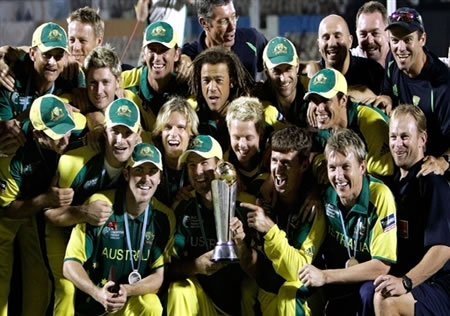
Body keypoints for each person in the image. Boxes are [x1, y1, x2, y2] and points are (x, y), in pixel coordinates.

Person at [43, 98, 143, 316]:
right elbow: (50, 214)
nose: (120, 140)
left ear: (139, 136)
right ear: (103, 131)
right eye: (114, 131)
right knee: (67, 289)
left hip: (104, 239)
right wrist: (82, 213)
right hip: (64, 230)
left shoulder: (142, 166)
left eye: (127, 133)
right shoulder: (73, 162)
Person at [63, 142, 175, 316]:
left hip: (129, 303)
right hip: (95, 304)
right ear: (126, 173)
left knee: (152, 305)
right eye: (139, 170)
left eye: (152, 172)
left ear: (160, 178)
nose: (146, 179)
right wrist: (97, 293)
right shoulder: (100, 205)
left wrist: (127, 290)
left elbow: (159, 276)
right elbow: (70, 264)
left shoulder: (164, 217)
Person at [299, 128, 397, 316]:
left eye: (346, 167)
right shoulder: (326, 193)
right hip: (337, 277)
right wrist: (312, 193)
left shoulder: (380, 196)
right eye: (332, 168)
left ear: (362, 166)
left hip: (367, 279)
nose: (338, 176)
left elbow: (382, 266)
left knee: (369, 292)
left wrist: (325, 276)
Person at [0, 95, 76, 316]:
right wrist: (45, 199)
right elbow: (8, 210)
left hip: (37, 214)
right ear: (37, 134)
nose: (65, 139)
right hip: (13, 211)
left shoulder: (73, 122)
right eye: (56, 135)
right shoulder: (12, 154)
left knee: (39, 280)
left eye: (66, 129)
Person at [240, 126, 326, 316]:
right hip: (268, 287)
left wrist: (270, 230)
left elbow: (299, 272)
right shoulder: (261, 190)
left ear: (304, 165)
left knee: (290, 293)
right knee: (247, 290)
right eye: (274, 161)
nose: (278, 170)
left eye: (286, 163)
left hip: (305, 293)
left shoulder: (313, 208)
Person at [373, 104, 450, 316]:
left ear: (422, 139)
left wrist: (406, 282)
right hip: (406, 277)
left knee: (386, 299)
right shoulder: (390, 183)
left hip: (438, 286)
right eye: (393, 136)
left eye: (405, 137)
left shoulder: (433, 183)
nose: (398, 144)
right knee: (365, 290)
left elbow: (443, 249)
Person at [167, 135, 256, 315]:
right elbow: (167, 270)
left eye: (204, 163)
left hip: (239, 303)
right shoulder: (183, 208)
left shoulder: (245, 206)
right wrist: (195, 266)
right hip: (203, 302)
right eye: (192, 165)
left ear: (220, 165)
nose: (198, 171)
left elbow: (261, 273)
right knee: (179, 290)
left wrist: (241, 245)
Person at [378, 7, 450, 176]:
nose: (400, 48)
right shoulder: (392, 61)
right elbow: (388, 90)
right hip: (403, 157)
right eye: (395, 40)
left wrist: (443, 162)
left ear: (422, 39)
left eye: (408, 39)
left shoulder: (442, 86)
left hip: (430, 166)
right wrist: (387, 98)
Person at [305, 68, 393, 181]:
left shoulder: (369, 120)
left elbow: (385, 174)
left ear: (343, 100)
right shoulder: (326, 126)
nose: (319, 108)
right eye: (314, 100)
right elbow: (314, 155)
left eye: (325, 100)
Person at [122, 21, 189, 131]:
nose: (157, 57)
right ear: (144, 52)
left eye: (164, 50)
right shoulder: (124, 82)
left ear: (176, 54)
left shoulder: (187, 89)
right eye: (152, 49)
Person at [182, 0, 268, 79]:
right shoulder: (189, 57)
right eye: (223, 21)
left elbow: (277, 63)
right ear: (204, 23)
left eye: (234, 17)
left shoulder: (252, 40)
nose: (232, 27)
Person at [317, 14, 385, 97]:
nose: (332, 43)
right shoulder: (312, 77)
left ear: (350, 41)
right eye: (326, 37)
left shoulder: (374, 73)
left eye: (337, 36)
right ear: (319, 45)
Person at [151, 96, 199, 205]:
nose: (173, 134)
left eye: (181, 127)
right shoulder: (150, 164)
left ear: (191, 133)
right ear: (160, 132)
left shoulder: (199, 168)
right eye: (167, 127)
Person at [257, 36, 308, 127]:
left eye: (288, 69)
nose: (283, 79)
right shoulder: (258, 101)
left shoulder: (313, 91)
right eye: (276, 71)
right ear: (266, 72)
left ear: (297, 66)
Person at [225, 96, 269, 193]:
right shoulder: (224, 163)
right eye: (236, 137)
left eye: (249, 138)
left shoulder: (273, 159)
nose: (242, 145)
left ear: (261, 134)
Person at [351, 1, 389, 69]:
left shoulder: (399, 59)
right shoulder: (349, 61)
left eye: (375, 33)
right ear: (356, 34)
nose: (369, 41)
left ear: (388, 33)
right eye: (363, 34)